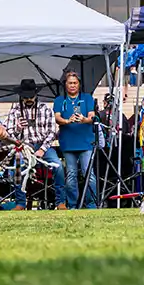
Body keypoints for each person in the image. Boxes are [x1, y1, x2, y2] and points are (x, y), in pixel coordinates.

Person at [51, 70, 99, 210]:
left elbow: (92, 116)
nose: (72, 85)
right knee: (71, 175)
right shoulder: (60, 100)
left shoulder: (87, 97)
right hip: (68, 143)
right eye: (70, 83)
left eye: (75, 83)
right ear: (65, 85)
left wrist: (84, 120)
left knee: (88, 174)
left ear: (79, 84)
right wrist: (67, 121)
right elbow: (57, 117)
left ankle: (91, 204)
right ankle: (73, 205)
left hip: (86, 141)